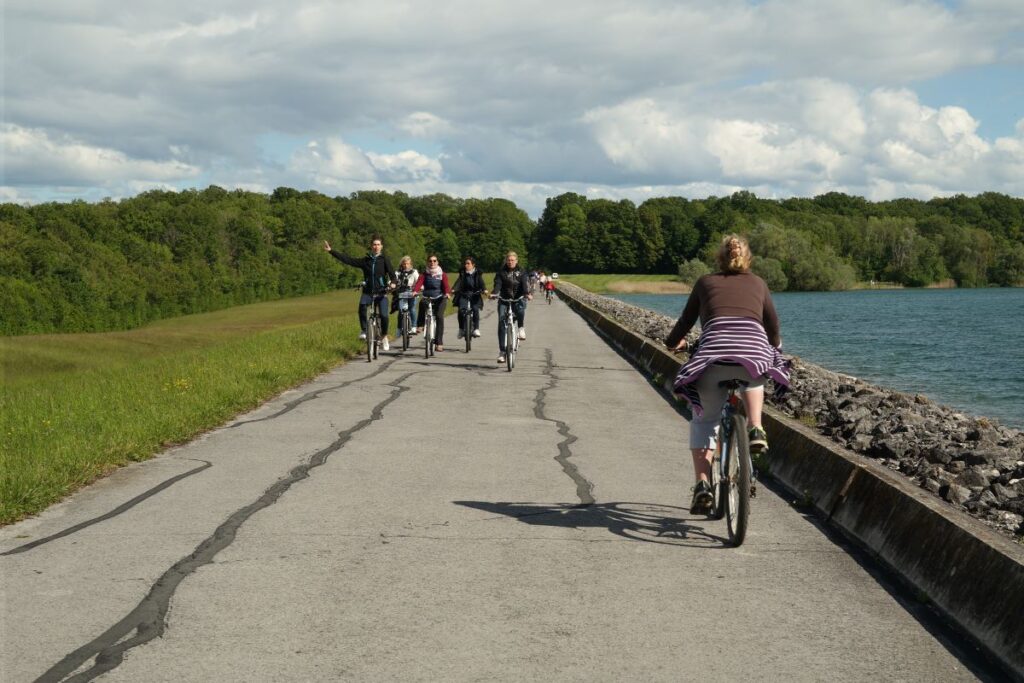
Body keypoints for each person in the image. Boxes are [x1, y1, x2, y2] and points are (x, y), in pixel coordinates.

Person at [665, 234, 790, 515]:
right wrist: (776, 346)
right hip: (751, 351)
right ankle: (756, 427)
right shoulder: (758, 283)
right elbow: (772, 323)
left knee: (704, 420)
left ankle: (702, 485)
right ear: (748, 258)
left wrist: (672, 343)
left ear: (719, 258)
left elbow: (686, 321)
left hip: (713, 354)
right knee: (757, 367)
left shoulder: (705, 282)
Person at [324, 235, 396, 350]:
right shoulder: (365, 260)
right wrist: (331, 251)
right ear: (371, 246)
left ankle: (384, 336)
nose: (376, 247)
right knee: (362, 307)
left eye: (378, 244)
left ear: (381, 246)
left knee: (384, 316)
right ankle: (364, 330)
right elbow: (349, 260)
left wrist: (393, 283)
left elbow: (392, 275)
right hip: (368, 292)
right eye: (374, 244)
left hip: (381, 292)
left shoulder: (384, 260)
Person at [490, 251, 531, 364]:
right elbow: (498, 284)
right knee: (501, 322)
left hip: (518, 298)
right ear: (506, 261)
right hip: (504, 299)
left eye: (512, 260)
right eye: (508, 260)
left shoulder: (522, 272)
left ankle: (521, 328)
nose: (510, 262)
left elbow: (524, 284)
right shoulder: (501, 272)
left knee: (521, 309)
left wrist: (527, 293)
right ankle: (502, 352)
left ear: (516, 261)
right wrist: (494, 293)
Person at [412, 255, 451, 351]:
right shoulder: (424, 274)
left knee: (439, 317)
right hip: (427, 297)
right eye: (430, 261)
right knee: (421, 303)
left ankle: (439, 343)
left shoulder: (442, 274)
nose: (432, 263)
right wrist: (415, 291)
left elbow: (446, 286)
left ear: (437, 262)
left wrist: (447, 293)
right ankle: (420, 325)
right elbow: (419, 283)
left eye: (434, 261)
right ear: (427, 263)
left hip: (440, 298)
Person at [452, 256, 486, 339]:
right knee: (460, 310)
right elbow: (459, 282)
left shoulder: (477, 273)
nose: (466, 265)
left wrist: (484, 289)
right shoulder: (463, 273)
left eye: (468, 263)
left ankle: (476, 329)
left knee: (475, 309)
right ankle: (461, 329)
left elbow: (481, 282)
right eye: (465, 263)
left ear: (473, 265)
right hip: (464, 294)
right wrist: (454, 289)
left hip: (475, 294)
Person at [391, 255, 420, 336]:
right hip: (401, 293)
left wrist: (420, 287)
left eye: (407, 264)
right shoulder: (398, 273)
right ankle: (399, 328)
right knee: (400, 311)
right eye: (404, 264)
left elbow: (418, 281)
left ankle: (414, 326)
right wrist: (391, 284)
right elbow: (393, 280)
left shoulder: (414, 272)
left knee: (412, 309)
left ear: (410, 264)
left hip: (412, 292)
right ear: (401, 264)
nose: (406, 265)